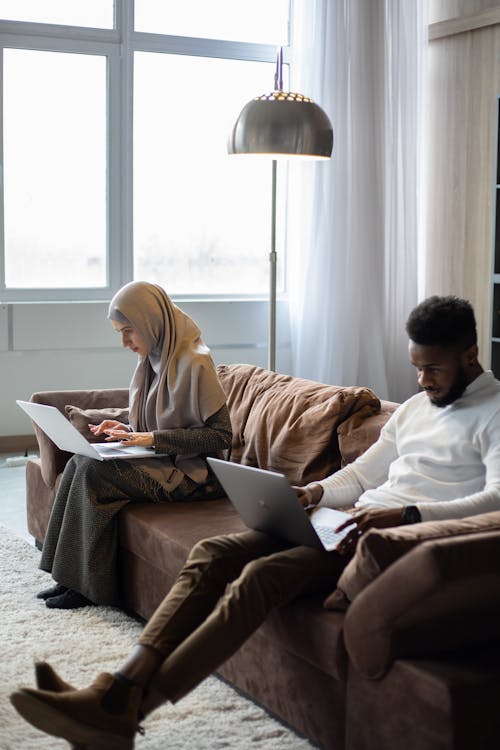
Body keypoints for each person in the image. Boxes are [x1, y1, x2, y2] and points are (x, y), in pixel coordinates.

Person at [11, 295, 500, 749]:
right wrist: (315, 491)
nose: (421, 381)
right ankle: (119, 687)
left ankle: (122, 708)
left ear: (470, 353)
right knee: (212, 553)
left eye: (432, 368)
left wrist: (407, 515)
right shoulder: (417, 408)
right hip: (348, 520)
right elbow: (363, 473)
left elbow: (495, 499)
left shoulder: (494, 412)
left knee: (259, 579)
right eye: (416, 367)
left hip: (396, 540)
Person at [36, 280, 232, 610]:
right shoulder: (154, 357)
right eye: (119, 333)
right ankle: (65, 578)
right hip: (163, 458)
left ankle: (87, 590)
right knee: (78, 463)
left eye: (129, 331)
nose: (125, 342)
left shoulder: (196, 363)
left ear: (151, 321)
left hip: (196, 476)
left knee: (93, 475)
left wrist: (152, 439)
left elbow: (221, 437)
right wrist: (129, 427)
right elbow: (162, 416)